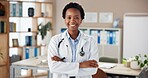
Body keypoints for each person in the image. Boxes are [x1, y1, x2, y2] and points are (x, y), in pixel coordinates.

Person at [47, 2, 99, 78]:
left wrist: (63, 64)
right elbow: (53, 67)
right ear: (64, 20)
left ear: (81, 20)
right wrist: (81, 65)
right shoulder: (55, 40)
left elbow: (93, 70)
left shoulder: (91, 41)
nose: (72, 20)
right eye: (69, 17)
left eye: (76, 17)